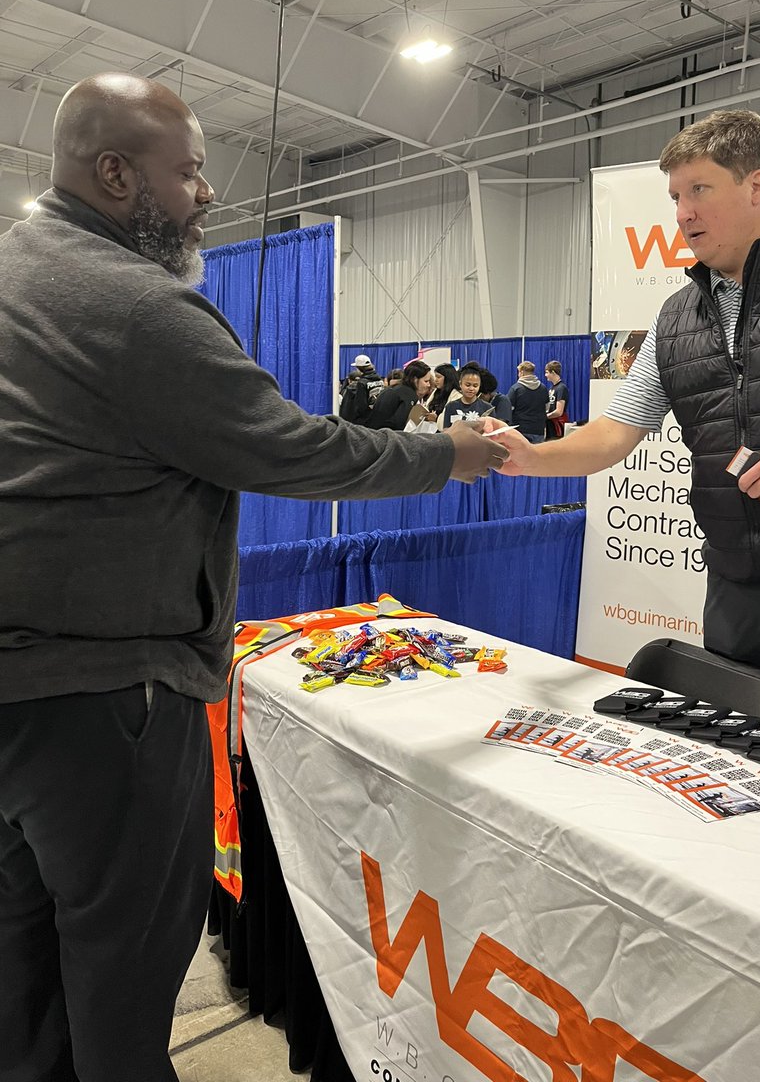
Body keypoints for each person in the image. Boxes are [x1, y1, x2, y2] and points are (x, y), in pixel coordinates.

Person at [0, 73, 507, 1082]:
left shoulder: (17, 266)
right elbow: (294, 449)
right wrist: (448, 455)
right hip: (105, 701)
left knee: (23, 979)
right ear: (115, 175)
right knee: (122, 980)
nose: (207, 194)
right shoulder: (138, 308)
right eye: (188, 172)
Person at [491, 108, 760, 761]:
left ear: (757, 186)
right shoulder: (676, 316)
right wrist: (531, 456)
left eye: (699, 190)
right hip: (735, 595)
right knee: (744, 773)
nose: (682, 213)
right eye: (675, 197)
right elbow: (615, 432)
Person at [368, 359, 432, 430]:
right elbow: (400, 424)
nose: (428, 385)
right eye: (426, 381)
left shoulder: (392, 389)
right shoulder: (408, 395)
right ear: (415, 380)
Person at [507, 360, 550, 443]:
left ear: (522, 372)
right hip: (538, 429)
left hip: (520, 429)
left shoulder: (516, 388)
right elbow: (547, 408)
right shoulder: (543, 388)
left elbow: (509, 409)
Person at [443, 362, 494, 428]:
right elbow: (446, 430)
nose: (471, 389)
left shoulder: (487, 408)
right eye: (467, 385)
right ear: (460, 384)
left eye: (475, 386)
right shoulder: (450, 406)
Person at [338, 353, 384, 424]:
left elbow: (361, 405)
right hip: (378, 416)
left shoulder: (361, 383)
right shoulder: (380, 380)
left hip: (366, 420)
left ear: (359, 369)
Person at [544, 360, 570, 438]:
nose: (545, 375)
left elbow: (559, 412)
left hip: (557, 426)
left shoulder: (561, 388)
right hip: (550, 425)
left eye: (547, 372)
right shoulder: (552, 388)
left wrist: (545, 416)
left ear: (553, 372)